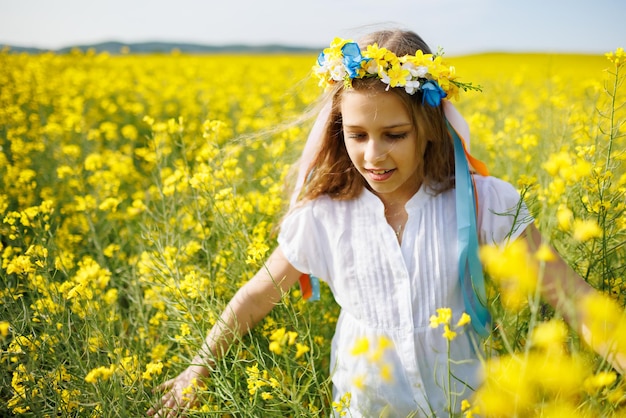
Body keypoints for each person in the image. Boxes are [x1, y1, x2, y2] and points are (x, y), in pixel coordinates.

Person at [147, 29, 617, 417]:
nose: (373, 156)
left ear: (429, 128)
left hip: (466, 405)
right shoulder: (323, 217)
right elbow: (254, 298)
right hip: (367, 406)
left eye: (394, 135)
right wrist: (197, 369)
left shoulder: (482, 201)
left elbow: (574, 298)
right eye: (357, 135)